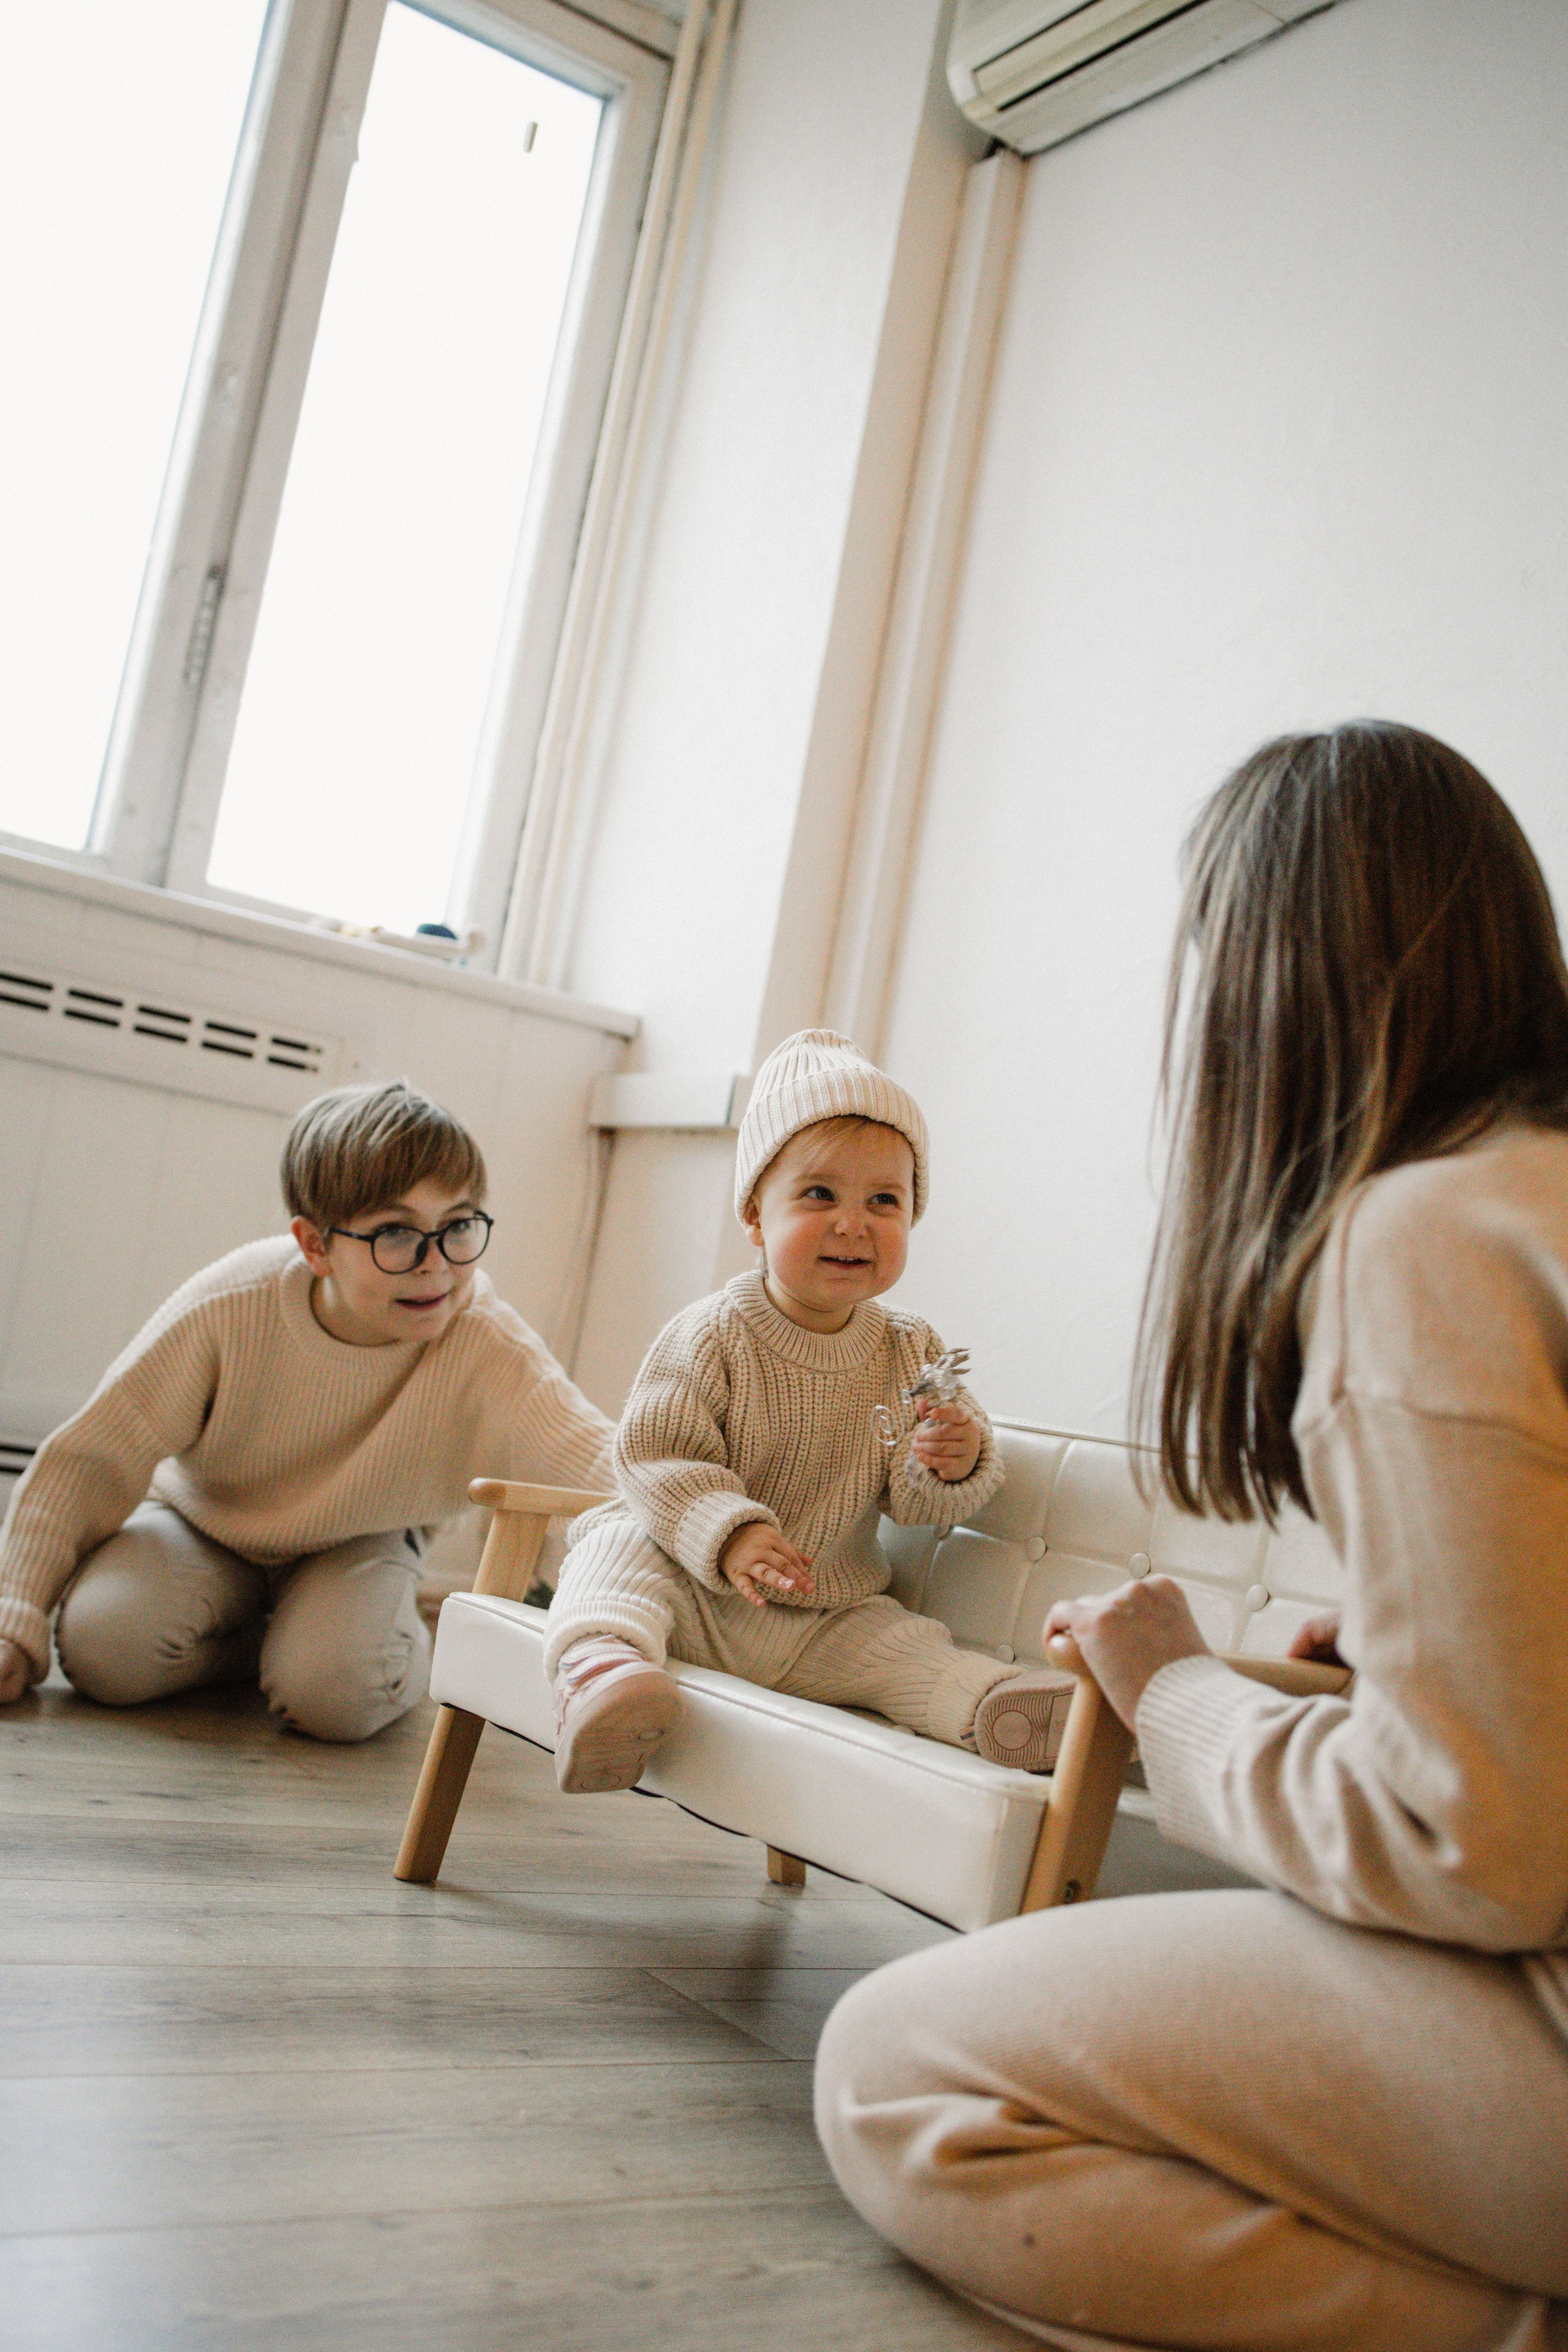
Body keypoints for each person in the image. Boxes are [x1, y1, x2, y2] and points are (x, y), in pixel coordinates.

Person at [814, 724, 1568, 2351]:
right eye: (821, 1198)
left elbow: (1478, 1857)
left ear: (1265, 993)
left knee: (899, 2071)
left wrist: (1172, 1693)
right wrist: (1406, 1686)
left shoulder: (1427, 1235)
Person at [542, 1029, 1076, 1793]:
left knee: (906, 1645)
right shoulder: (714, 1332)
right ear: (757, 1216)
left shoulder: (911, 1347)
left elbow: (913, 1499)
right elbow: (655, 1457)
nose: (853, 1222)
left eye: (883, 1201)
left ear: (911, 1217)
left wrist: (951, 1460)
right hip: (694, 1587)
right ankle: (607, 1679)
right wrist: (732, 1532)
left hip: (825, 1611)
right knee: (616, 1556)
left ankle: (996, 1707)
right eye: (819, 1194)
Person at [0, 1080, 614, 1741]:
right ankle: (262, 1649)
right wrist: (13, 1616)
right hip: (205, 1525)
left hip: (362, 1538)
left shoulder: (488, 1342)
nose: (436, 1266)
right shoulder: (232, 1305)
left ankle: (353, 1646)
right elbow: (93, 1458)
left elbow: (600, 1472)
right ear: (315, 1245)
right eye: (396, 1233)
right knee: (103, 1651)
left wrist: (716, 1536)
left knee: (336, 1696)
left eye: (458, 1226)